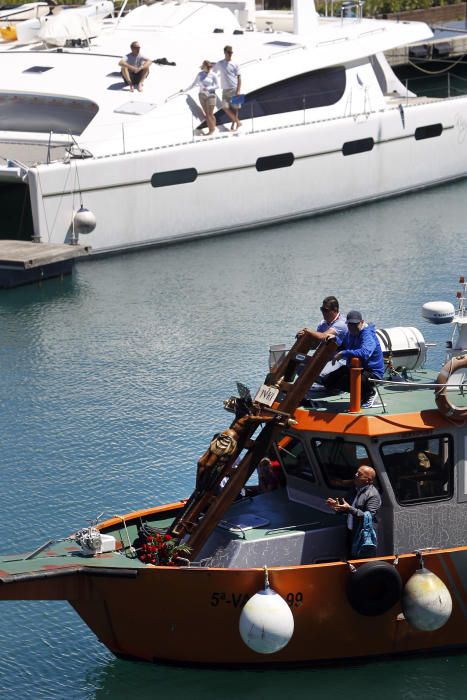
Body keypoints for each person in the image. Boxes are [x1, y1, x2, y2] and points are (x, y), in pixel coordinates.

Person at [321, 310, 384, 408]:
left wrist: (344, 353)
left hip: (372, 372)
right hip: (355, 368)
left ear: (362, 322)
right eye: (350, 324)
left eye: (355, 324)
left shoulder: (367, 334)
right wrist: (334, 339)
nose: (352, 327)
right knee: (328, 380)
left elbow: (365, 353)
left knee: (347, 380)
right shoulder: (350, 333)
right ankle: (361, 393)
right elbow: (343, 346)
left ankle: (370, 393)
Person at [326, 465, 381, 556]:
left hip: (362, 535)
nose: (355, 475)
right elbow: (346, 506)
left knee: (361, 561)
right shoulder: (354, 489)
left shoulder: (373, 495)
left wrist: (349, 508)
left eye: (359, 474)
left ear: (368, 480)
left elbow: (368, 517)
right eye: (356, 472)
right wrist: (337, 506)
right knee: (350, 558)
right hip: (350, 531)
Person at [183, 60, 220, 135]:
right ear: (204, 67)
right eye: (208, 67)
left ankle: (211, 130)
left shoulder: (213, 75)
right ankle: (213, 127)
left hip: (211, 95)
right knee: (208, 114)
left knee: (209, 114)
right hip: (201, 95)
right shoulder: (200, 74)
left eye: (210, 67)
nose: (209, 68)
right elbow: (194, 84)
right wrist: (185, 90)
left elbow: (217, 86)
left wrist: (209, 88)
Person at [214, 45, 241, 131]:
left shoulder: (235, 64)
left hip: (234, 88)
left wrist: (238, 90)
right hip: (225, 90)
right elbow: (213, 70)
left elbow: (239, 78)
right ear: (225, 53)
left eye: (231, 52)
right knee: (225, 107)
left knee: (235, 108)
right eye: (228, 52)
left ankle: (234, 125)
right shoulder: (220, 63)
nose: (230, 54)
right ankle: (238, 122)